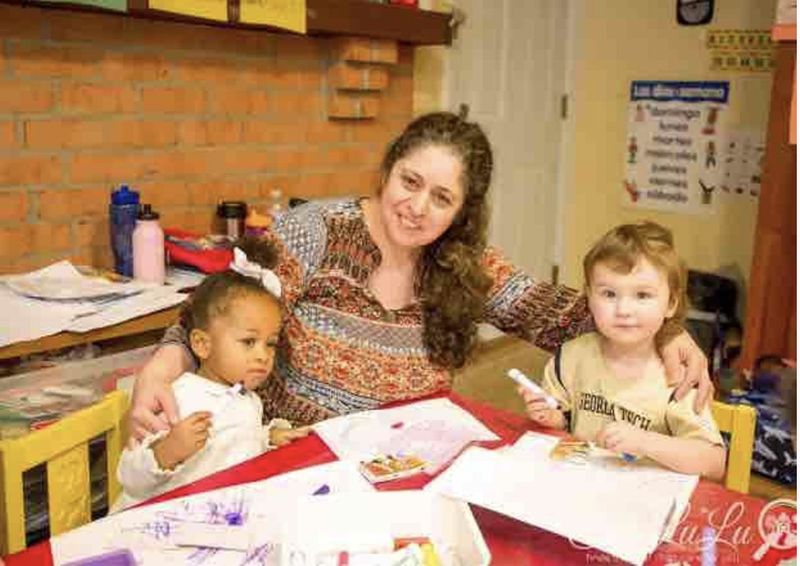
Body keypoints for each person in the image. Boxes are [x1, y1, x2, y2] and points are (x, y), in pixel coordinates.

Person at [130, 111, 713, 440]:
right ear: (387, 170)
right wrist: (160, 367)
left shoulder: (465, 263)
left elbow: (568, 315)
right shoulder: (316, 233)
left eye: (442, 197)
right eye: (409, 182)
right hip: (292, 457)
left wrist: (667, 330)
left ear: (461, 211)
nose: (417, 208)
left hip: (408, 465)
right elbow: (215, 310)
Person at [521, 222, 725, 479]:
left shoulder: (678, 376)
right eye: (609, 294)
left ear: (671, 303)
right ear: (589, 297)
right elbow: (565, 426)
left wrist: (645, 442)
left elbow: (714, 463)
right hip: (580, 484)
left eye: (642, 295)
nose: (624, 310)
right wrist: (552, 418)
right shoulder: (571, 357)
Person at [114, 239, 308, 510]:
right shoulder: (182, 399)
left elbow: (232, 447)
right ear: (202, 344)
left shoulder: (246, 397)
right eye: (249, 342)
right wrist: (167, 451)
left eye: (270, 343)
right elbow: (129, 476)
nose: (263, 355)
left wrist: (266, 438)